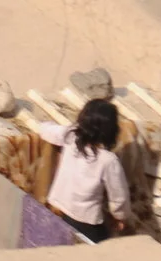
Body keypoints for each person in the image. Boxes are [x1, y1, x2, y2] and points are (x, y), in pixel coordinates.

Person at [32, 98, 131, 243]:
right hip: (86, 219)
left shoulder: (70, 138)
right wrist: (120, 216)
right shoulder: (109, 160)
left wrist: (66, 127)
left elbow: (45, 130)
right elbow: (119, 196)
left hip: (60, 206)